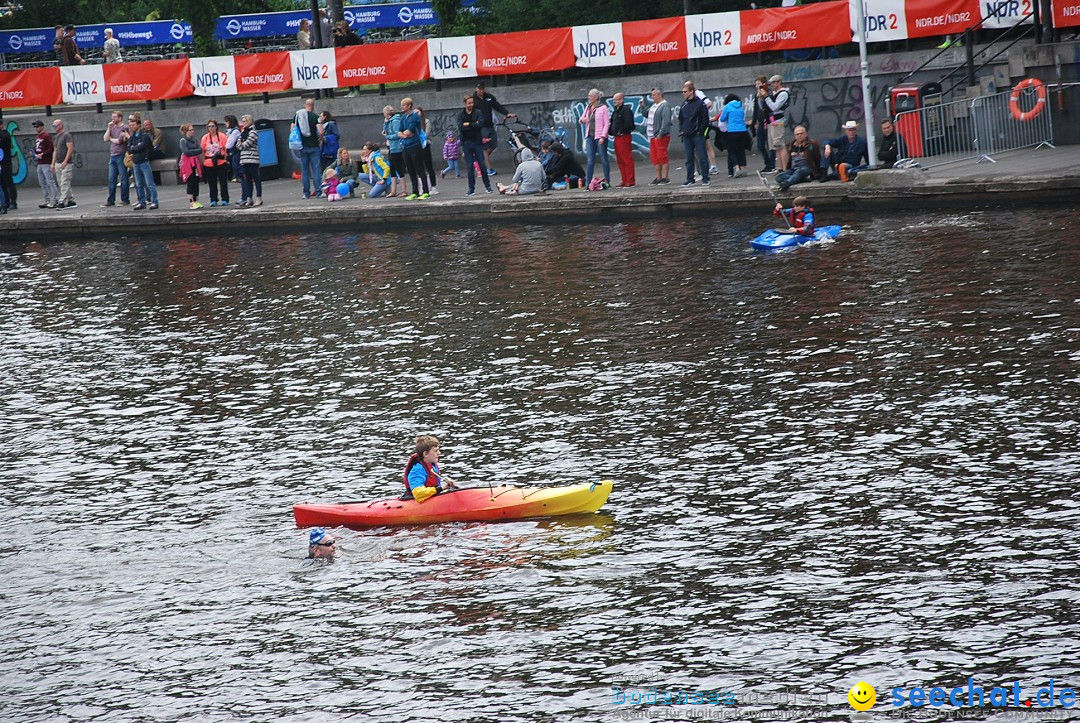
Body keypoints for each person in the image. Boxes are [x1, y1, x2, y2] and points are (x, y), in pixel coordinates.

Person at [472, 82, 516, 175]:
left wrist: (507, 113)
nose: (482, 91)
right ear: (476, 89)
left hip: (489, 125)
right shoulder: (473, 100)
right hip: (480, 126)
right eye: (480, 89)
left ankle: (478, 160)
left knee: (493, 145)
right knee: (484, 147)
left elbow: (497, 106)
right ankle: (488, 169)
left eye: (483, 89)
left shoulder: (489, 97)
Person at [457, 94, 493, 196]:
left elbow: (480, 124)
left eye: (472, 103)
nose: (471, 105)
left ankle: (488, 186)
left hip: (477, 142)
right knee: (469, 167)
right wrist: (474, 124)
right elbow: (460, 128)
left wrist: (469, 124)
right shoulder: (461, 115)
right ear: (465, 104)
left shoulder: (478, 112)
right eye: (469, 103)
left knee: (482, 164)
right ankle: (471, 189)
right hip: (467, 143)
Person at [403, 435, 456, 502]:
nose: (439, 453)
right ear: (425, 454)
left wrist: (448, 484)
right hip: (416, 501)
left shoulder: (432, 465)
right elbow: (418, 493)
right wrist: (442, 488)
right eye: (435, 451)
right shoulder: (417, 471)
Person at [397, 97, 429, 200]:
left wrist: (405, 134)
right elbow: (399, 132)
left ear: (409, 106)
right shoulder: (403, 118)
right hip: (406, 146)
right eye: (401, 105)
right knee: (410, 169)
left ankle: (425, 191)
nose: (402, 107)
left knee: (419, 168)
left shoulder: (415, 117)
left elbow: (409, 131)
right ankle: (415, 191)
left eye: (404, 105)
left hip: (415, 145)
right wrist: (404, 135)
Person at [679, 81, 710, 186]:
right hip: (687, 135)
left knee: (702, 157)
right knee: (689, 158)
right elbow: (681, 119)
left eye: (685, 91)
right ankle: (690, 178)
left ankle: (705, 178)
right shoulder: (684, 104)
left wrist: (700, 131)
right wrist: (681, 131)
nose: (683, 93)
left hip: (697, 134)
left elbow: (705, 119)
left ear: (691, 91)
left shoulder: (700, 104)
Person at [578, 88, 611, 187]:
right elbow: (581, 119)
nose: (589, 98)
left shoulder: (603, 108)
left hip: (599, 136)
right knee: (590, 160)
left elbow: (607, 123)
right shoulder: (588, 107)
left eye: (591, 96)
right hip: (589, 136)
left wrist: (603, 136)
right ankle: (588, 183)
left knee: (603, 159)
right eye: (589, 96)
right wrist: (584, 119)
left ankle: (607, 181)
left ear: (596, 97)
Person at [775, 125, 822, 191]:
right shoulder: (791, 145)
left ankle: (786, 183)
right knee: (779, 177)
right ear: (795, 136)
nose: (799, 135)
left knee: (799, 172)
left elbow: (817, 157)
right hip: (793, 169)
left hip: (807, 168)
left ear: (805, 134)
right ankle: (801, 179)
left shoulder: (811, 144)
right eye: (797, 134)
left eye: (801, 133)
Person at [126, 115, 158, 210]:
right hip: (136, 162)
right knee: (139, 184)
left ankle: (155, 201)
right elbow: (128, 148)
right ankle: (141, 202)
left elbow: (142, 147)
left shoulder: (144, 136)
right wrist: (134, 148)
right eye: (130, 125)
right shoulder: (132, 137)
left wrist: (134, 148)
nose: (131, 127)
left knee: (150, 183)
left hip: (144, 161)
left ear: (138, 125)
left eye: (133, 125)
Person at [293, 98, 322, 198]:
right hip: (314, 146)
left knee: (305, 171)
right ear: (313, 106)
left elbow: (292, 129)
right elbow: (321, 131)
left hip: (302, 147)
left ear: (305, 105)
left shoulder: (297, 116)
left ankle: (306, 193)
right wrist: (320, 139)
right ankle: (318, 192)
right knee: (316, 170)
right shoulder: (315, 117)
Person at [100, 111, 130, 207]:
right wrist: (109, 129)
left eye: (115, 117)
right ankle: (110, 200)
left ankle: (125, 199)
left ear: (120, 118)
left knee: (124, 178)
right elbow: (105, 138)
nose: (113, 119)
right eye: (112, 117)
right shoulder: (112, 127)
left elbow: (119, 140)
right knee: (111, 179)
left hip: (121, 154)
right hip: (112, 155)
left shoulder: (124, 128)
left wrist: (111, 139)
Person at [643, 87, 671, 185]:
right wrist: (643, 107)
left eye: (654, 95)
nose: (652, 97)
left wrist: (661, 133)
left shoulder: (665, 106)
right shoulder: (654, 105)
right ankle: (658, 177)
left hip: (660, 136)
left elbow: (666, 121)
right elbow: (647, 114)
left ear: (659, 95)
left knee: (662, 156)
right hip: (652, 136)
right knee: (655, 157)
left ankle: (665, 177)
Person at [200, 119, 230, 206]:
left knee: (223, 182)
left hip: (220, 161)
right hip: (209, 162)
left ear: (216, 127)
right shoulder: (205, 138)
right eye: (209, 126)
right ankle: (213, 199)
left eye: (213, 126)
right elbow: (203, 151)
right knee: (212, 183)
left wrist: (226, 160)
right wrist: (203, 162)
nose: (211, 128)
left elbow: (226, 149)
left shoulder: (222, 136)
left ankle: (225, 198)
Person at [718, 93, 748, 178]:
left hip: (732, 131)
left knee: (732, 150)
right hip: (743, 130)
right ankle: (743, 168)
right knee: (741, 150)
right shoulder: (740, 106)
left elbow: (722, 118)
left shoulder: (727, 107)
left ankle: (737, 168)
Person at [765, 74, 791, 171]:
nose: (772, 84)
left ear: (779, 82)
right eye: (771, 83)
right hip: (771, 121)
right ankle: (780, 167)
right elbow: (766, 107)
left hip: (778, 121)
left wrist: (766, 97)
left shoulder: (783, 93)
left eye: (774, 82)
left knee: (780, 145)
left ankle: (785, 168)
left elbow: (774, 107)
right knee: (776, 146)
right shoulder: (774, 93)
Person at [32, 120, 60, 209]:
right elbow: (39, 148)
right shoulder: (38, 137)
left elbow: (51, 148)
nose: (36, 128)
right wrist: (35, 153)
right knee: (42, 183)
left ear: (42, 127)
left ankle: (55, 200)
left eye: (37, 126)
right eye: (35, 127)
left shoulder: (46, 136)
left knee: (50, 181)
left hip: (46, 162)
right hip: (40, 162)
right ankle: (47, 200)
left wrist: (43, 154)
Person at [610, 92, 636, 188]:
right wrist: (611, 131)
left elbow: (629, 124)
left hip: (623, 136)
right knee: (620, 160)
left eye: (616, 99)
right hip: (617, 137)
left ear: (621, 100)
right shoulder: (616, 111)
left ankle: (630, 180)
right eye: (613, 100)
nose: (614, 101)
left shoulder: (626, 110)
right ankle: (624, 179)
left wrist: (622, 130)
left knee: (627, 159)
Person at [750, 75, 776, 173]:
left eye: (759, 84)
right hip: (761, 122)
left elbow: (770, 107)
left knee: (770, 144)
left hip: (769, 120)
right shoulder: (756, 96)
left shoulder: (768, 94)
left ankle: (772, 165)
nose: (757, 86)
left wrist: (764, 96)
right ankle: (767, 163)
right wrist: (754, 122)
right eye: (756, 84)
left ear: (764, 84)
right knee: (760, 145)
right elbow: (756, 110)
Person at [237, 114, 262, 207]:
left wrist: (241, 144)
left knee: (256, 178)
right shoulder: (242, 132)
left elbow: (246, 144)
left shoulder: (253, 132)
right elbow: (238, 145)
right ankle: (249, 197)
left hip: (252, 159)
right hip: (244, 159)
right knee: (247, 180)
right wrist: (241, 143)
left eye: (245, 121)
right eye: (242, 121)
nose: (243, 123)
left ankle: (259, 197)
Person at [51, 118, 76, 209]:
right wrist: (53, 163)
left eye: (55, 126)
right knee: (61, 182)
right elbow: (55, 150)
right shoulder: (56, 137)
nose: (54, 127)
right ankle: (70, 199)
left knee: (65, 182)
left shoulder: (66, 135)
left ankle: (62, 201)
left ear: (61, 125)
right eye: (53, 126)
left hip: (66, 163)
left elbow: (70, 148)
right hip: (58, 162)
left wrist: (65, 161)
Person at [178, 123, 204, 209]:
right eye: (190, 130)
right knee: (190, 182)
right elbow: (186, 152)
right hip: (187, 163)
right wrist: (195, 151)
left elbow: (200, 150)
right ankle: (191, 202)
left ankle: (196, 200)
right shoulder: (183, 141)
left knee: (196, 181)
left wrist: (193, 151)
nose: (192, 131)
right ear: (186, 131)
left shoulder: (195, 140)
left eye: (193, 130)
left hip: (195, 162)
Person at [417, 107, 439, 195]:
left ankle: (433, 186)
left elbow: (426, 134)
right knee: (419, 167)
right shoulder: (413, 123)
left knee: (428, 165)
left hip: (425, 145)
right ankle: (422, 186)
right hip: (417, 146)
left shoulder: (426, 121)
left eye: (418, 112)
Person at [0, 124, 15, 210]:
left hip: (6, 162)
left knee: (9, 182)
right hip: (1, 163)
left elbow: (7, 143)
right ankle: (5, 202)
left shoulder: (5, 135)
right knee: (2, 184)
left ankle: (13, 201)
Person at [223, 115, 242, 182]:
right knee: (233, 167)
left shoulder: (235, 131)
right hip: (232, 152)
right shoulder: (229, 131)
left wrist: (223, 147)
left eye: (226, 121)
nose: (225, 123)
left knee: (236, 167)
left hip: (236, 151)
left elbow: (229, 144)